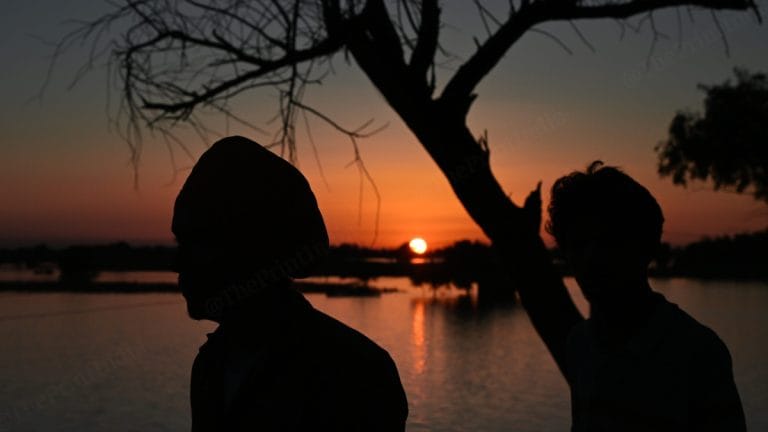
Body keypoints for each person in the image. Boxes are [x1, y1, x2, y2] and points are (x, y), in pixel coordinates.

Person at [171, 135, 408, 431]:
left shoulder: (354, 372)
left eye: (198, 243)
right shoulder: (211, 363)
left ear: (252, 251)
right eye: (181, 242)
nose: (177, 263)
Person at [544, 161, 746, 432]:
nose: (592, 258)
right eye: (579, 243)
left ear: (646, 247)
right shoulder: (580, 345)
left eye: (609, 241)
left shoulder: (697, 354)